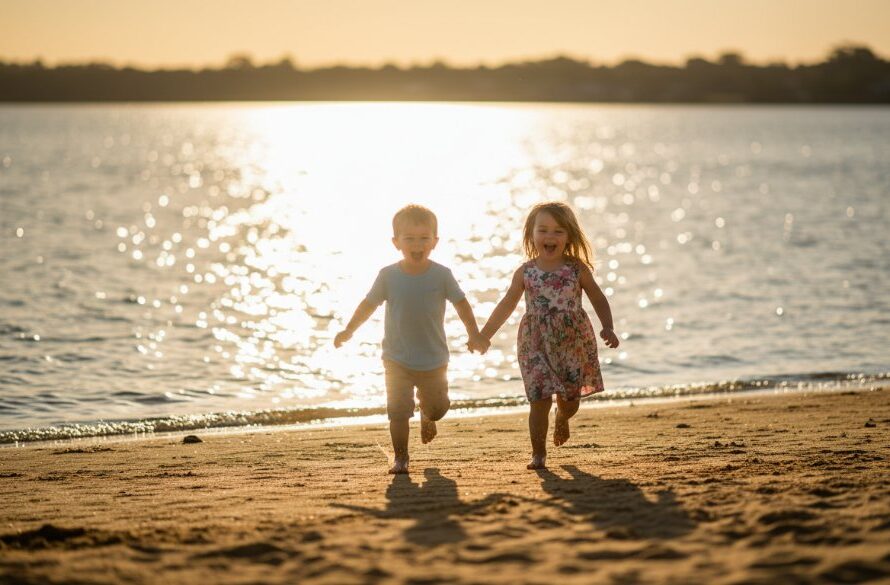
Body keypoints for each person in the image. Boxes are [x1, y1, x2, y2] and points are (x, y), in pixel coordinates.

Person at [334, 204, 489, 474]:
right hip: (397, 359)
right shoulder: (388, 276)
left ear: (434, 242)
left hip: (434, 359)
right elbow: (368, 305)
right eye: (409, 238)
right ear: (396, 242)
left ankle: (429, 415)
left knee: (439, 407)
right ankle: (401, 457)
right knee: (397, 411)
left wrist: (474, 334)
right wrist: (349, 330)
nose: (417, 244)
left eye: (423, 238)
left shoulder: (442, 275)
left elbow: (462, 304)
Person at [473, 201, 619, 470]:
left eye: (558, 231)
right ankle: (538, 454)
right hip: (535, 343)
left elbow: (598, 297)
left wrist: (607, 326)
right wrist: (485, 335)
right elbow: (506, 304)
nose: (550, 237)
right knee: (538, 400)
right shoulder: (525, 273)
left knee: (570, 401)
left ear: (570, 237)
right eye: (543, 230)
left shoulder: (577, 270)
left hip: (572, 342)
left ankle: (562, 417)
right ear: (531, 234)